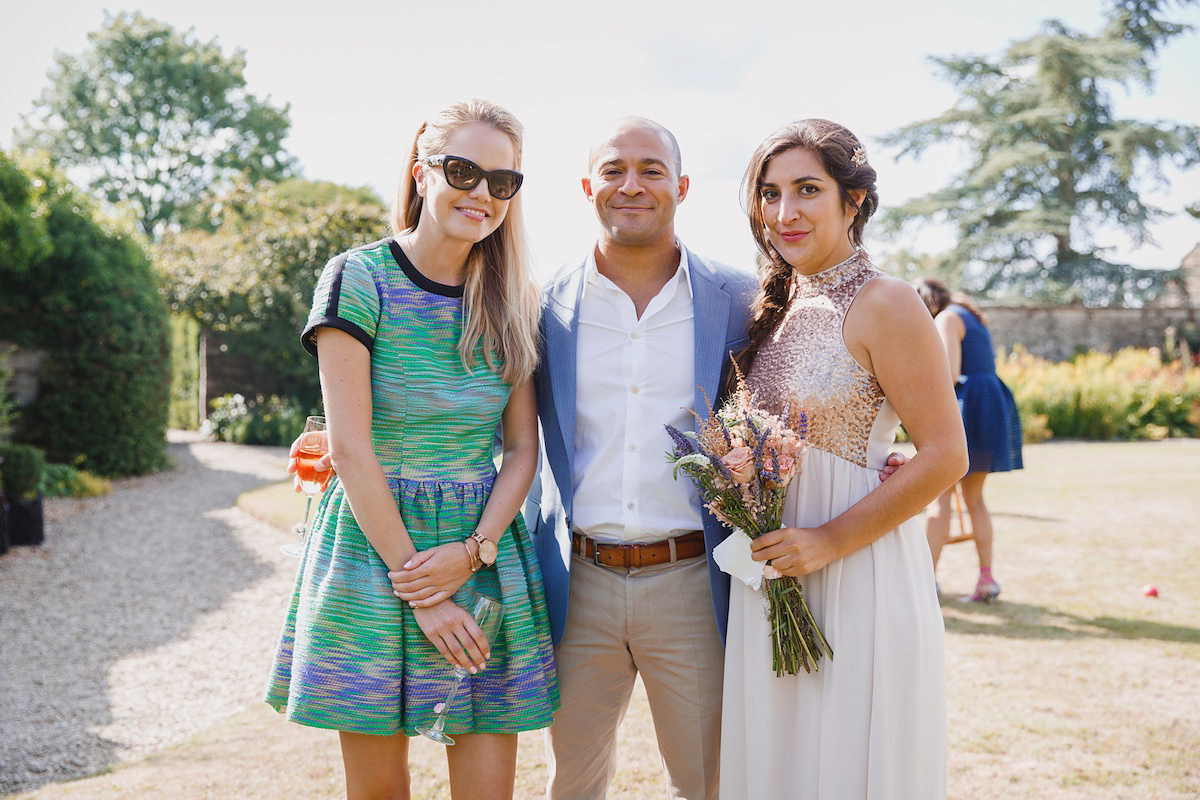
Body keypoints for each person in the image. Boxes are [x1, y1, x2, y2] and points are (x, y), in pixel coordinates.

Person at [265, 99, 558, 800]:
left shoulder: (514, 300)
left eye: (502, 181)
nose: (482, 193)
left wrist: (472, 553)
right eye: (463, 170)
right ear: (421, 172)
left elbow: (522, 451)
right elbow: (351, 449)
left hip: (482, 554)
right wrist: (420, 589)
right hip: (373, 551)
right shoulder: (359, 279)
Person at [721, 119, 968, 798]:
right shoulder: (772, 307)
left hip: (857, 573)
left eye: (807, 190)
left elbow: (946, 454)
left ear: (852, 200)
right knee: (781, 767)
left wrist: (828, 541)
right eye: (770, 194)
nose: (785, 212)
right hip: (774, 577)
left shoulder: (886, 302)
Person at [524, 116, 757, 800]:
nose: (632, 184)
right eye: (615, 170)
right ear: (587, 187)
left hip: (691, 580)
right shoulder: (540, 306)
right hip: (578, 580)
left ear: (681, 186)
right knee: (572, 781)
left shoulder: (740, 301)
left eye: (651, 170)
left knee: (706, 782)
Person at [913, 277, 1023, 603]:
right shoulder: (971, 315)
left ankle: (925, 582)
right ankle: (987, 580)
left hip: (968, 408)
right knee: (975, 498)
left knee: (939, 499)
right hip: (991, 405)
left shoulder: (947, 318)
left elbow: (949, 373)